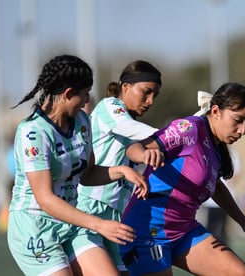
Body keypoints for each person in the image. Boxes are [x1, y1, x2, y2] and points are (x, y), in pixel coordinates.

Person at [7, 54, 149, 276]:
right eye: (83, 95)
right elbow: (45, 199)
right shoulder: (33, 133)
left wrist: (121, 171)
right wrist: (99, 225)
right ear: (68, 94)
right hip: (35, 227)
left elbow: (88, 174)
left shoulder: (82, 123)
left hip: (71, 223)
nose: (86, 101)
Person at [120, 82, 245, 275]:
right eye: (238, 120)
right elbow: (133, 148)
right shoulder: (188, 129)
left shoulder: (215, 147)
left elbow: (217, 188)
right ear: (215, 111)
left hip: (184, 231)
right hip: (148, 233)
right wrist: (144, 155)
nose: (242, 130)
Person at [72, 60, 162, 275]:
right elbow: (133, 131)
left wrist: (146, 155)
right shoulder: (110, 107)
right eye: (146, 92)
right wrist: (183, 136)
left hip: (115, 216)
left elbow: (134, 148)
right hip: (87, 209)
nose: (150, 101)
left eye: (154, 96)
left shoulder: (128, 121)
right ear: (126, 87)